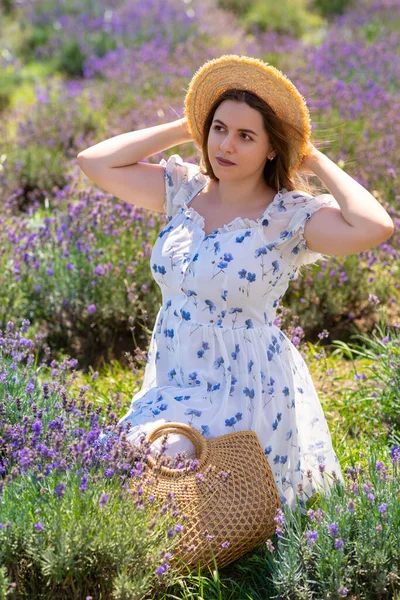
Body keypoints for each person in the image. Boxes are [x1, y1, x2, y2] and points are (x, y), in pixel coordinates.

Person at [77, 55, 394, 512]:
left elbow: (374, 226)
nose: (226, 145)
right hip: (175, 375)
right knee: (119, 463)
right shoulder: (184, 191)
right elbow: (95, 162)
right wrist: (187, 126)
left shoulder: (288, 217)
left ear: (271, 148)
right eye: (219, 128)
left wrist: (317, 160)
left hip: (244, 385)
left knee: (170, 476)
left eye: (246, 136)